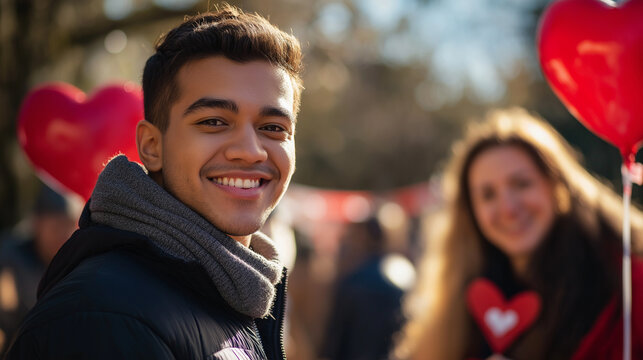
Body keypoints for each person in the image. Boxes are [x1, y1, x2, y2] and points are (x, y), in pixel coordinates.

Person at [5, 4, 303, 359]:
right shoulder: (102, 315)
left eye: (273, 128)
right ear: (151, 146)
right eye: (213, 122)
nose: (251, 151)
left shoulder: (238, 287)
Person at [394, 108, 643, 359]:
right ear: (470, 211)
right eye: (488, 195)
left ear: (558, 186)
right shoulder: (456, 308)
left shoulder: (628, 288)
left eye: (522, 184)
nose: (508, 209)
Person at [320, 217, 413, 360]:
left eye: (352, 238)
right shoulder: (403, 275)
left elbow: (335, 340)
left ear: (365, 238)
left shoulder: (353, 281)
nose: (345, 243)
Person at [0, 185, 77, 355]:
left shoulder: (80, 265)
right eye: (56, 227)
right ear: (36, 223)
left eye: (69, 226)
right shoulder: (9, 258)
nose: (63, 235)